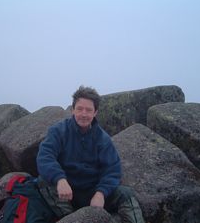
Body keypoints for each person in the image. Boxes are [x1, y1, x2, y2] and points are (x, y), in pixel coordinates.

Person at [36, 86, 145, 223]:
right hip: (65, 192)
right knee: (43, 181)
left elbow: (112, 170)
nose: (84, 114)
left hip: (92, 193)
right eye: (80, 109)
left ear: (95, 112)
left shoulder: (103, 139)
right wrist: (60, 179)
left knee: (126, 194)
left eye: (89, 110)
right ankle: (70, 218)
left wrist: (101, 193)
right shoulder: (58, 131)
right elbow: (45, 156)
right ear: (72, 109)